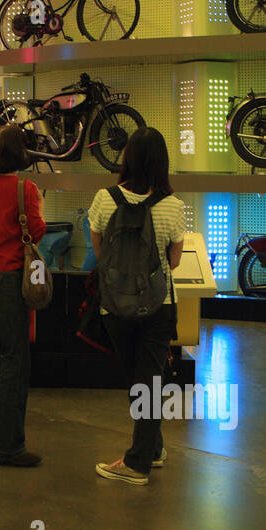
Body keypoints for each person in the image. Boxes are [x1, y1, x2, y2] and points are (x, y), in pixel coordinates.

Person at [87, 127, 185, 487]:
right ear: (162, 162)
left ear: (127, 158)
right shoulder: (173, 207)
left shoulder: (104, 198)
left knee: (137, 382)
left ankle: (137, 463)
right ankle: (152, 448)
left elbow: (100, 252)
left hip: (115, 305)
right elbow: (173, 262)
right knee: (151, 381)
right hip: (159, 306)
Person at [0, 123, 44, 467]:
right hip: (8, 280)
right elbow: (37, 230)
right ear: (21, 152)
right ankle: (8, 446)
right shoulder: (25, 188)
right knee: (16, 360)